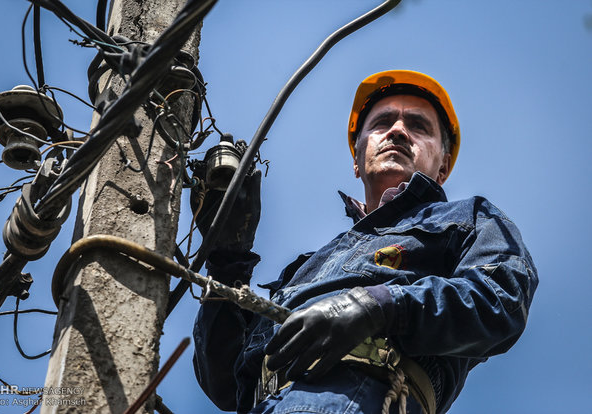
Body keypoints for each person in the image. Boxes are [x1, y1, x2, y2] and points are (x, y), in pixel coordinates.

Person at [192, 70, 538, 414]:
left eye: (418, 126)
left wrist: (379, 305)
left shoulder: (471, 218)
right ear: (356, 159)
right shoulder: (306, 268)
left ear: (443, 166)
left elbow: (502, 299)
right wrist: (226, 261)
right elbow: (223, 384)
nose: (398, 131)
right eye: (382, 122)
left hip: (363, 397)